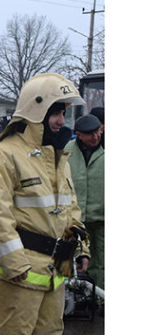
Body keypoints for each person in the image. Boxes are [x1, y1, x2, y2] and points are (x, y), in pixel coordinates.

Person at [0, 73, 90, 335]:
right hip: (20, 274)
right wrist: (15, 265)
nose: (60, 119)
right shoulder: (2, 155)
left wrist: (79, 249)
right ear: (34, 110)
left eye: (64, 112)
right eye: (55, 111)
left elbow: (71, 210)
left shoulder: (58, 157)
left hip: (53, 272)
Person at [65, 113, 104, 289]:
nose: (96, 137)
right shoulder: (67, 151)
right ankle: (73, 295)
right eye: (91, 134)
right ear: (79, 134)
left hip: (102, 219)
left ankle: (100, 299)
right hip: (74, 219)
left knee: (102, 261)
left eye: (98, 132)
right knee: (72, 260)